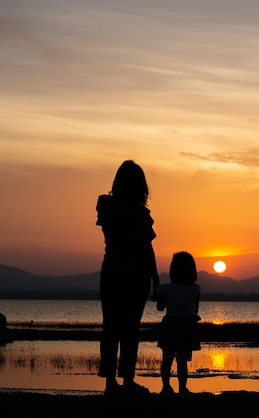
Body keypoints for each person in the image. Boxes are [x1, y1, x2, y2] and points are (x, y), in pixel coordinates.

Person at [95, 160, 160, 395]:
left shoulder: (108, 205)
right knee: (128, 330)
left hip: (117, 274)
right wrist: (156, 280)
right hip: (130, 275)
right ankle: (122, 382)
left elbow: (145, 247)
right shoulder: (128, 211)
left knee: (113, 328)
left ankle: (116, 382)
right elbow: (143, 246)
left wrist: (155, 279)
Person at [155, 251, 202, 396]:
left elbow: (160, 308)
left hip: (170, 325)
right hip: (187, 326)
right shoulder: (195, 289)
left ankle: (166, 387)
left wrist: (158, 294)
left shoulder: (165, 288)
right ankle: (182, 388)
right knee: (182, 360)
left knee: (167, 359)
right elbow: (195, 310)